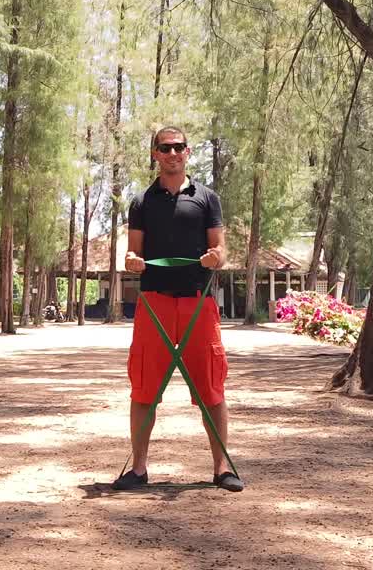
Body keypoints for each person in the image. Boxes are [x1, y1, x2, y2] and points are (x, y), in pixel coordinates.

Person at [114, 126, 243, 492]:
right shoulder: (142, 202)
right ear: (155, 153)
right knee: (143, 387)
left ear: (188, 153)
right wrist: (133, 261)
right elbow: (132, 251)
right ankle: (138, 468)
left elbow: (220, 248)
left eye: (179, 147)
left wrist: (215, 257)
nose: (173, 153)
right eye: (165, 148)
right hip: (154, 302)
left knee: (211, 387)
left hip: (197, 302)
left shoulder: (207, 198)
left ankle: (222, 468)